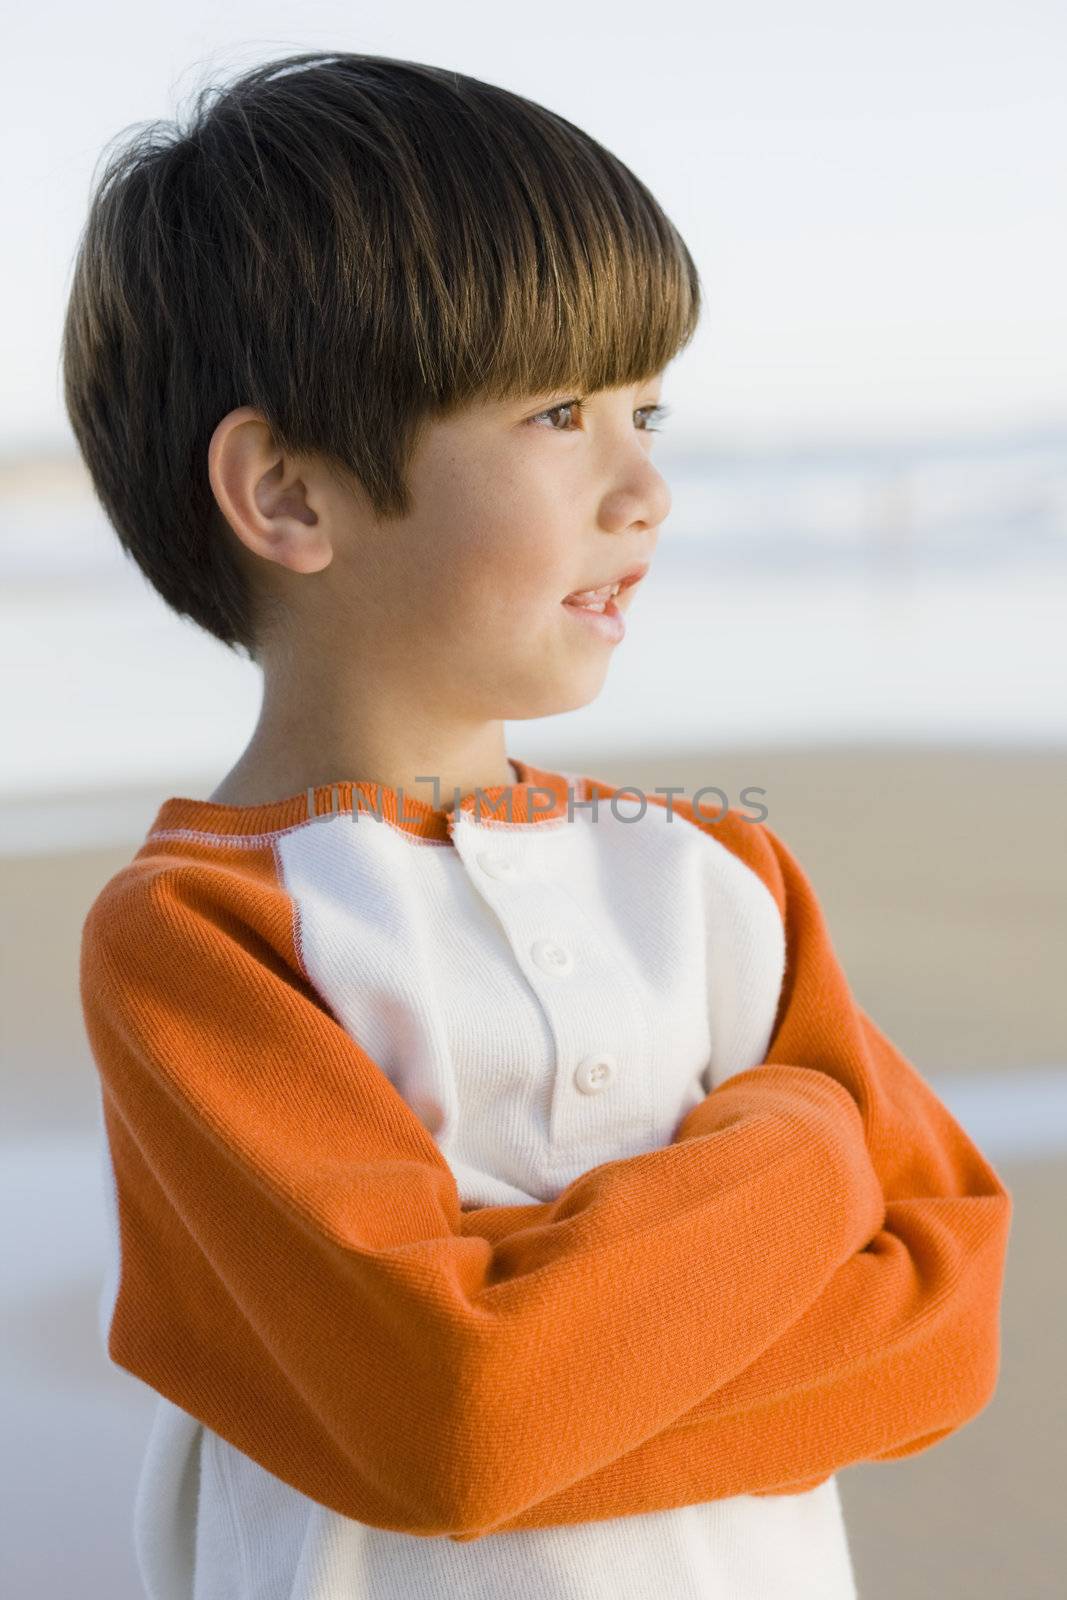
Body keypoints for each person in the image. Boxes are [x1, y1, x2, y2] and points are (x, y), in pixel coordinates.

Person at [66, 51, 1012, 1600]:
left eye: (649, 407)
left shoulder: (721, 874)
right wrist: (802, 1145)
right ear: (290, 494)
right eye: (560, 411)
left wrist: (547, 1323)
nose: (645, 487)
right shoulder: (201, 937)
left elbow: (945, 1327)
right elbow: (456, 1419)